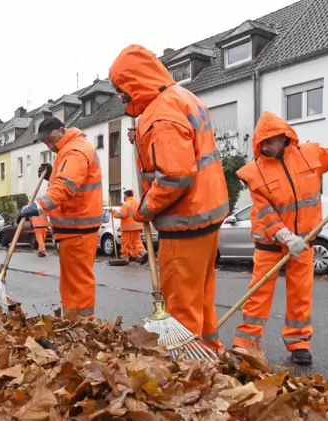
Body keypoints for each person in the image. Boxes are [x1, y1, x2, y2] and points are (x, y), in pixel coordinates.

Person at [109, 44, 228, 351]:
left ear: (135, 81)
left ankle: (190, 376)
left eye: (122, 88)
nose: (121, 96)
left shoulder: (159, 114)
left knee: (181, 307)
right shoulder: (185, 99)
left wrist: (146, 209)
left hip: (184, 222)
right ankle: (210, 354)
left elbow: (176, 176)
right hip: (207, 215)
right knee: (202, 297)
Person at [234, 111, 328, 365]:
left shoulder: (310, 154)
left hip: (305, 241)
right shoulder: (256, 172)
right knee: (259, 293)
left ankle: (299, 344)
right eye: (261, 142)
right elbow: (264, 212)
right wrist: (285, 236)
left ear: (283, 137)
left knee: (300, 295)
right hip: (270, 244)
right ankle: (245, 343)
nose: (265, 147)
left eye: (270, 141)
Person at [18, 117, 103, 319]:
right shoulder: (70, 149)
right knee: (72, 282)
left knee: (78, 283)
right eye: (44, 142)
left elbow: (65, 188)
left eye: (50, 139)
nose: (49, 144)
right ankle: (74, 321)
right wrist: (52, 174)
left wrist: (37, 207)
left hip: (78, 228)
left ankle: (82, 326)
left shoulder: (74, 151)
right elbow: (71, 181)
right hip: (75, 228)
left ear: (62, 130)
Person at [112, 189, 148, 264]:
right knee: (137, 242)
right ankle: (144, 254)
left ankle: (125, 258)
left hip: (128, 228)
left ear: (126, 195)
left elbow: (122, 214)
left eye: (124, 195)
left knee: (125, 244)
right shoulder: (137, 203)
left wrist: (113, 211)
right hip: (137, 227)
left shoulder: (126, 204)